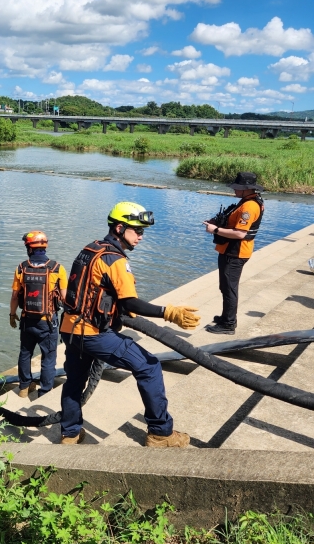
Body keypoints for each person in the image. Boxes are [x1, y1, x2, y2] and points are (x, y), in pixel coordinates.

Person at [59, 202, 201, 447]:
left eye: (143, 232)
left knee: (74, 381)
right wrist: (168, 312)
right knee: (149, 367)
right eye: (137, 231)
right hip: (94, 334)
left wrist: (117, 308)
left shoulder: (90, 249)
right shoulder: (115, 260)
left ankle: (70, 434)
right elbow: (131, 302)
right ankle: (160, 433)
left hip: (70, 329)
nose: (141, 237)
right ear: (119, 228)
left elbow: (93, 292)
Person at [203, 172, 265, 335]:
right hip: (231, 251)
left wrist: (215, 229)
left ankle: (229, 324)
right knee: (225, 286)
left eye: (237, 187)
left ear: (246, 189)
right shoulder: (247, 201)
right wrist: (218, 222)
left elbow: (240, 233)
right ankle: (226, 317)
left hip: (235, 252)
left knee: (229, 288)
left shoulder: (249, 206)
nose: (234, 190)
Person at [10, 231, 67, 398]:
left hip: (27, 320)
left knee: (25, 353)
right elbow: (64, 298)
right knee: (48, 358)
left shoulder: (21, 267)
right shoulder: (57, 268)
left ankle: (24, 388)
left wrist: (12, 315)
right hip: (48, 322)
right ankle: (44, 391)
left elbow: (14, 296)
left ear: (29, 248)